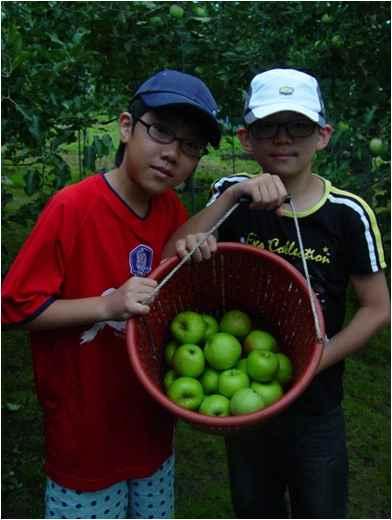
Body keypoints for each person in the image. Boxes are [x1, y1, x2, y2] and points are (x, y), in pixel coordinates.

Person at [163, 68, 390, 518]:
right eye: (268, 126)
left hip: (316, 406)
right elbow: (171, 256)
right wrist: (231, 201)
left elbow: (377, 307)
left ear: (322, 135)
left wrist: (316, 360)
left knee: (320, 507)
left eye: (299, 126)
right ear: (247, 138)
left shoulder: (347, 214)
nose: (283, 138)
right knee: (253, 506)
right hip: (241, 401)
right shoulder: (230, 194)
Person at [2, 69, 220, 519]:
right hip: (85, 430)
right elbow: (15, 308)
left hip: (149, 423)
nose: (172, 154)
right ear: (126, 126)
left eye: (191, 146)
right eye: (161, 131)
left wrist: (205, 237)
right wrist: (107, 305)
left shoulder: (169, 208)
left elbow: (169, 277)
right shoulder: (73, 207)